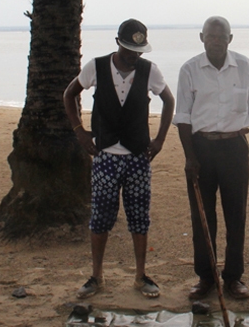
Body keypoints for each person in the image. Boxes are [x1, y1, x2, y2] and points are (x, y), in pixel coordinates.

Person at [63, 19, 175, 299]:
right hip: (106, 158)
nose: (133, 57)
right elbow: (69, 95)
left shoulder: (150, 71)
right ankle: (96, 277)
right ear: (117, 43)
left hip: (138, 158)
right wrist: (80, 133)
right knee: (100, 219)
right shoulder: (96, 67)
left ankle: (141, 276)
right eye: (128, 51)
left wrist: (160, 139)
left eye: (138, 52)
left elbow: (169, 101)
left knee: (139, 218)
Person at [174, 16, 249, 301]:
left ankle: (233, 278)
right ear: (201, 37)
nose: (216, 41)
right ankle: (206, 278)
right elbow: (182, 117)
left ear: (230, 39)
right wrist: (190, 157)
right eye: (210, 36)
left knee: (236, 216)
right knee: (202, 218)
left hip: (234, 149)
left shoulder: (244, 67)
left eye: (221, 37)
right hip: (201, 150)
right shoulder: (190, 69)